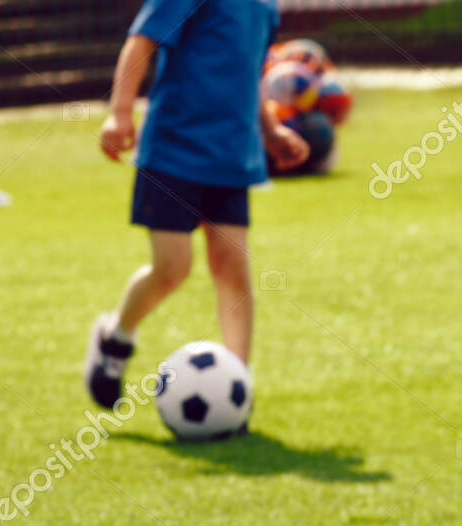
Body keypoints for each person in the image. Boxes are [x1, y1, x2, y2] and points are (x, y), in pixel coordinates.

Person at [85, 0, 307, 408]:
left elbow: (248, 71)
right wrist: (119, 114)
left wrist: (271, 131)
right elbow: (140, 42)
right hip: (174, 152)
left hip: (233, 158)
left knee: (232, 269)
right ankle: (116, 340)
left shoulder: (264, 7)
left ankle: (237, 385)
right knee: (173, 268)